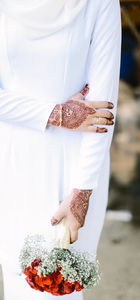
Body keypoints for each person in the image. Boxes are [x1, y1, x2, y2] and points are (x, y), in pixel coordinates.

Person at [0, 0, 121, 299]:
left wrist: (83, 191)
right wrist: (55, 113)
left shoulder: (100, 4)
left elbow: (103, 108)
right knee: (17, 277)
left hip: (76, 164)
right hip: (13, 158)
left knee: (57, 286)